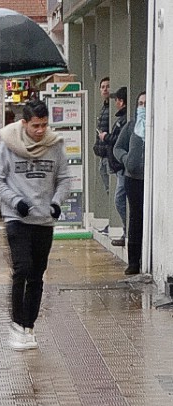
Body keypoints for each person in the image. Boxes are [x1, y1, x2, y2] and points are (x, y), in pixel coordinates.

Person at [0, 100, 71, 350]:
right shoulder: (8, 145)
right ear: (24, 123)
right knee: (22, 268)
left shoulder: (54, 146)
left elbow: (64, 179)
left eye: (44, 125)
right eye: (35, 125)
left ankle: (29, 326)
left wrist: (57, 202)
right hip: (18, 218)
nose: (40, 130)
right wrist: (16, 201)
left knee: (37, 274)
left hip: (44, 219)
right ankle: (16, 324)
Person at [114, 91, 146, 276]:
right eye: (140, 103)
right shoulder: (131, 126)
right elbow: (118, 147)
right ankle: (133, 261)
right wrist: (126, 160)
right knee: (135, 217)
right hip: (132, 179)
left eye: (146, 103)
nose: (143, 106)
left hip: (150, 181)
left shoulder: (155, 127)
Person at [100, 86, 128, 246]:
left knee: (119, 198)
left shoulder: (123, 121)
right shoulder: (120, 119)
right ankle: (127, 230)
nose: (115, 103)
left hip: (123, 166)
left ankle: (127, 230)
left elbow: (118, 141)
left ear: (121, 101)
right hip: (117, 166)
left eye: (117, 100)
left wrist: (105, 137)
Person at [93, 77, 111, 201]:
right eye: (102, 87)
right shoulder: (104, 108)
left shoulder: (111, 109)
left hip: (109, 156)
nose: (105, 89)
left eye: (107, 86)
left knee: (112, 190)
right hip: (102, 156)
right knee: (108, 189)